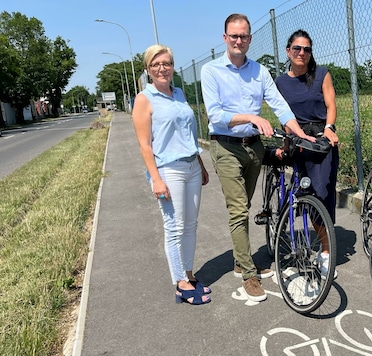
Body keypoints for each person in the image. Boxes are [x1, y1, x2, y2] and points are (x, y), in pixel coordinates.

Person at [200, 13, 314, 302]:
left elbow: (279, 104)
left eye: (244, 36)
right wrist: (251, 116)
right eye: (234, 36)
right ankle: (248, 274)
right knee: (238, 210)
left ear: (249, 39)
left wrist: (301, 134)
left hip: (254, 148)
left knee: (246, 204)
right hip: (226, 146)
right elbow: (215, 115)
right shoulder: (211, 71)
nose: (239, 40)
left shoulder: (260, 71)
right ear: (225, 38)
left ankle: (240, 259)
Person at [132, 44, 211, 305]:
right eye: (156, 65)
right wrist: (156, 178)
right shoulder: (145, 99)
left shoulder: (178, 93)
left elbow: (187, 134)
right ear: (148, 70)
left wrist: (200, 162)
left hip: (190, 165)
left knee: (191, 225)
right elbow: (145, 144)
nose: (162, 68)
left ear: (173, 67)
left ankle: (189, 273)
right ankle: (179, 282)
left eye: (166, 63)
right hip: (168, 169)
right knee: (175, 227)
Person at [274, 29, 339, 279]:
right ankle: (305, 242)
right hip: (297, 140)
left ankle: (325, 252)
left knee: (322, 195)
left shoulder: (321, 74)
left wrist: (329, 128)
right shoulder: (280, 82)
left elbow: (331, 104)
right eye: (297, 48)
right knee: (305, 194)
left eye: (307, 49)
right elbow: (283, 116)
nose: (302, 53)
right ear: (288, 51)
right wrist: (288, 145)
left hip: (320, 140)